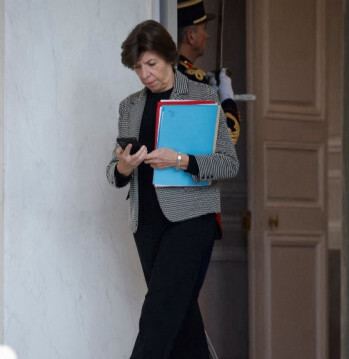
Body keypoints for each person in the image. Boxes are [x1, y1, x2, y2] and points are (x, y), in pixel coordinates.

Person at [106, 20, 239, 358]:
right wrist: (124, 166)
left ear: (168, 56)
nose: (145, 74)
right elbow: (113, 172)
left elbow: (228, 163)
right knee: (180, 320)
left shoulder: (203, 96)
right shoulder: (129, 107)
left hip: (192, 220)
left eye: (151, 64)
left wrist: (181, 159)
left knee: (158, 315)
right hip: (147, 224)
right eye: (137, 68)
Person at [177, 0, 241, 145]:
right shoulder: (193, 79)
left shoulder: (168, 70)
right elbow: (228, 137)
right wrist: (227, 99)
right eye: (204, 29)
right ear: (190, 36)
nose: (207, 35)